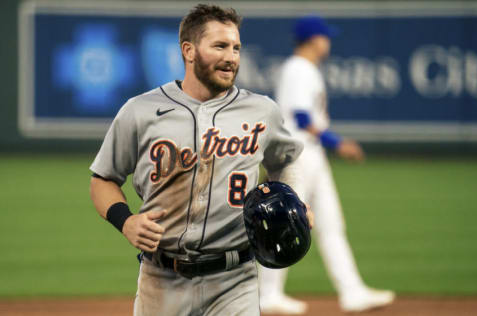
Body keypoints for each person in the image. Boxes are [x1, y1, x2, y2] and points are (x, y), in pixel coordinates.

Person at [89, 4, 313, 316]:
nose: (231, 57)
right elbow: (103, 179)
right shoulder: (140, 111)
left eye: (236, 47)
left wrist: (295, 200)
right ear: (189, 51)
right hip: (161, 281)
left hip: (235, 281)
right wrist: (125, 221)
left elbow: (286, 160)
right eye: (220, 46)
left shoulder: (261, 111)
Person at [258, 15, 395, 314]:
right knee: (288, 224)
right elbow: (302, 118)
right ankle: (267, 294)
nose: (328, 42)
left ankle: (352, 292)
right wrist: (338, 143)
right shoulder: (298, 69)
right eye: (325, 36)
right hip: (297, 154)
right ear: (314, 39)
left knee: (331, 224)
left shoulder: (306, 69)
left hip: (311, 154)